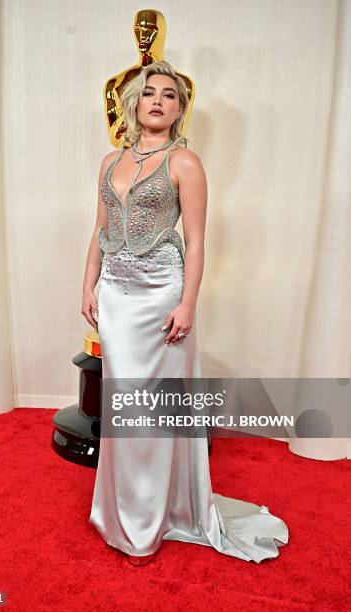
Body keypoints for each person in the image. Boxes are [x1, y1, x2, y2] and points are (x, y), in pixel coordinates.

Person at [81, 61, 288, 566]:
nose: (157, 100)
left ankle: (149, 521)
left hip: (159, 294)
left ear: (180, 108)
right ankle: (121, 510)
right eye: (148, 92)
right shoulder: (111, 159)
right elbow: (99, 228)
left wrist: (188, 303)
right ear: (134, 102)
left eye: (169, 95)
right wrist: (88, 283)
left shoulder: (186, 163)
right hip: (115, 292)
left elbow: (196, 242)